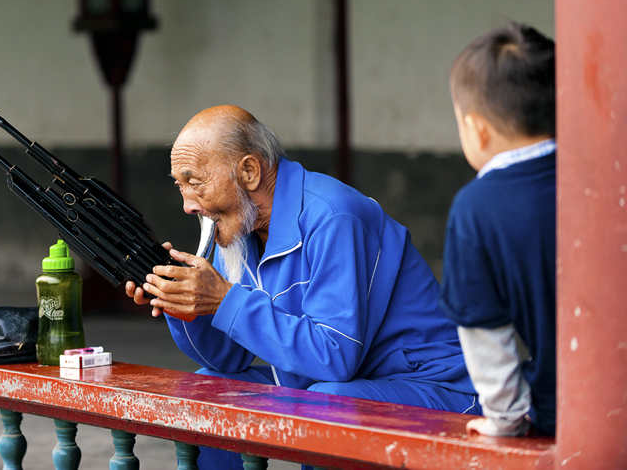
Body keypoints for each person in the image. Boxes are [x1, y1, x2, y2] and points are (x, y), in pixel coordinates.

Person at [126, 104, 480, 468]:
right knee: (211, 389)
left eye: (195, 182)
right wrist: (184, 302)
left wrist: (223, 300)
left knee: (327, 403)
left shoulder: (333, 215)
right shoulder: (240, 228)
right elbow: (229, 359)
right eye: (180, 186)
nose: (187, 205)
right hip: (345, 383)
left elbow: (335, 358)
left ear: (249, 171)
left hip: (435, 390)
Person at [438, 21, 556, 437]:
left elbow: (485, 335)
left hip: (565, 416)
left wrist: (505, 420)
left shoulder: (476, 209)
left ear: (477, 129)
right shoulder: (603, 174)